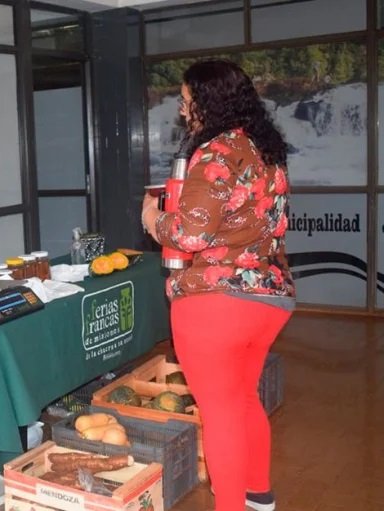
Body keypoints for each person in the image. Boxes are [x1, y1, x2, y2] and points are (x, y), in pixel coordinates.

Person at [141, 60, 295, 511]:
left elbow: (190, 235)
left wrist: (152, 218)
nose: (182, 109)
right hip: (269, 297)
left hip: (217, 303)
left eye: (186, 100)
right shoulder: (264, 149)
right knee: (243, 398)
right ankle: (258, 495)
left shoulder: (215, 153)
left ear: (206, 102)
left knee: (219, 411)